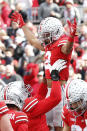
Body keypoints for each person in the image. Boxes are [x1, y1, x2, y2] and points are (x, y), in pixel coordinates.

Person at [11, 11, 77, 131]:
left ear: (56, 33)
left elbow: (67, 49)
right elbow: (33, 41)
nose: (44, 37)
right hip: (47, 92)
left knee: (59, 126)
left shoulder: (61, 44)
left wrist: (71, 37)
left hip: (59, 91)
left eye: (47, 34)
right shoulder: (49, 45)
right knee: (46, 124)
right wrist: (22, 25)